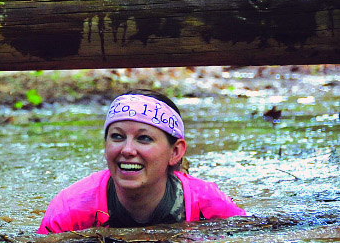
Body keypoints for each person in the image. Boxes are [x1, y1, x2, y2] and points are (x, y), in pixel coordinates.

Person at [38, 89, 246, 234]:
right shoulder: (68, 211)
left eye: (144, 138)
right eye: (117, 137)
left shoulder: (211, 206)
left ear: (175, 151)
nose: (127, 150)